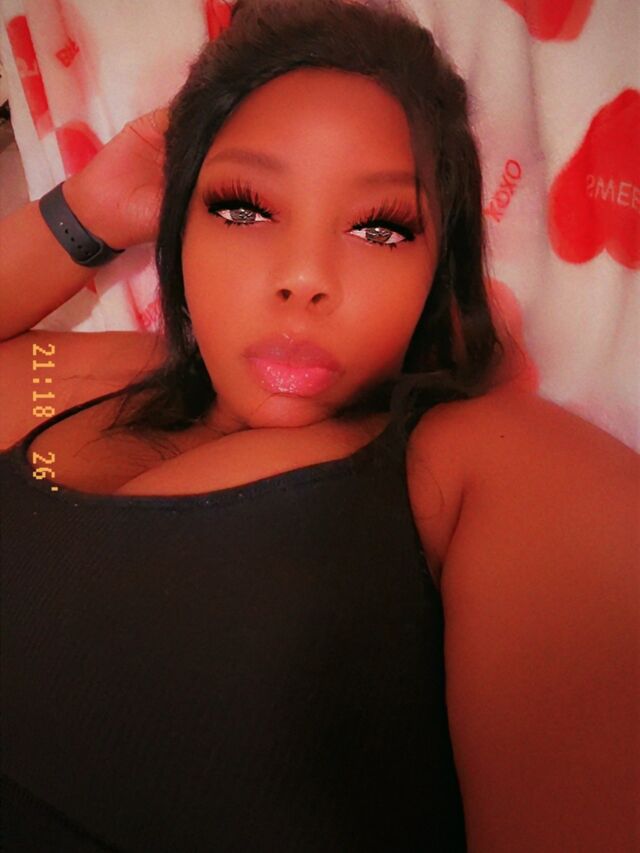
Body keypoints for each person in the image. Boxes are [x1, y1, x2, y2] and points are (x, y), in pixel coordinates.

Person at [0, 0, 637, 850]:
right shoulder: (99, 379)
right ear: (177, 228)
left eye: (381, 228)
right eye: (242, 208)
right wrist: (87, 212)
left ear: (438, 273)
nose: (305, 276)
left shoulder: (499, 465)